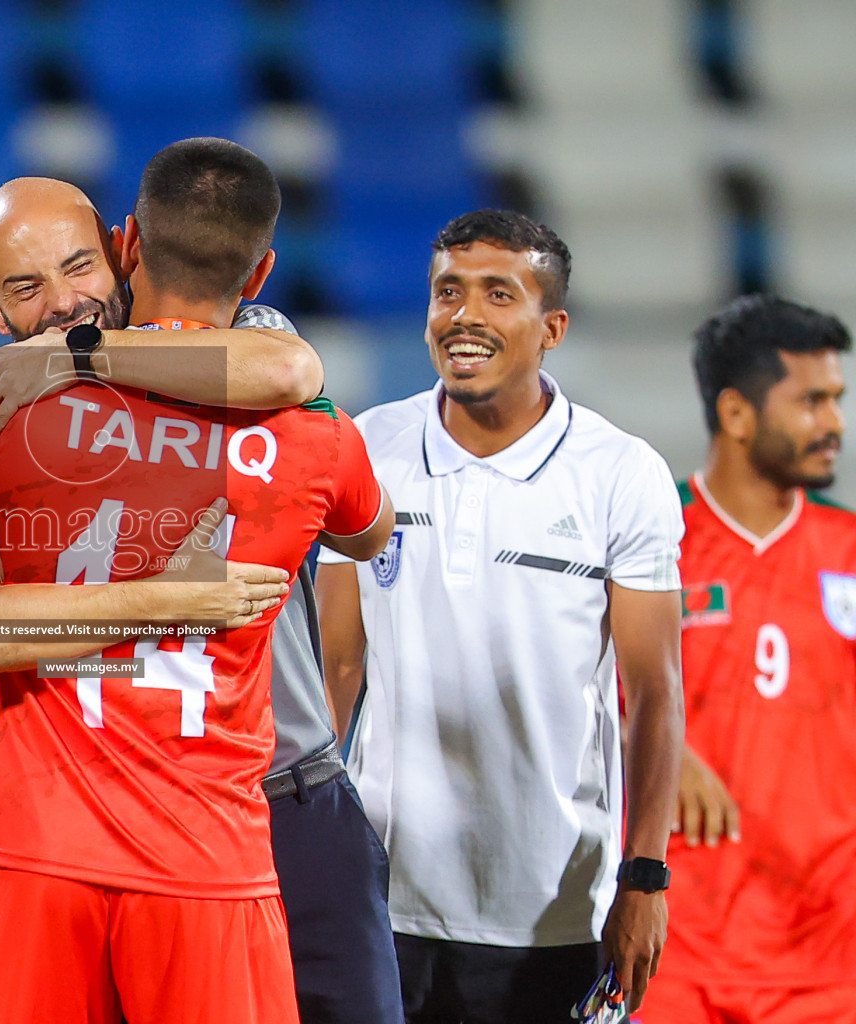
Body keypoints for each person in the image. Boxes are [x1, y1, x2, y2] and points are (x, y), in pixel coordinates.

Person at [0, 138, 393, 1024]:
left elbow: (290, 368)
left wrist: (69, 364)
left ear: (123, 247)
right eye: (26, 289)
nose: (61, 305)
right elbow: (362, 510)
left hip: (224, 813)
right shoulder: (299, 426)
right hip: (195, 846)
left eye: (77, 267)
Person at [314, 209, 685, 1022]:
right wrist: (307, 852)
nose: (465, 316)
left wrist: (644, 878)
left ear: (551, 327)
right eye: (448, 293)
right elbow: (335, 668)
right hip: (384, 900)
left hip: (555, 908)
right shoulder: (366, 449)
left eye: (497, 294)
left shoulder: (623, 474)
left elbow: (652, 692)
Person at [642, 295, 856, 1024]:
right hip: (678, 947)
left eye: (838, 400)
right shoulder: (650, 542)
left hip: (829, 958)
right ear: (736, 414)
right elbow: (572, 695)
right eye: (813, 401)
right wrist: (665, 747)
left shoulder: (849, 550)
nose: (835, 423)